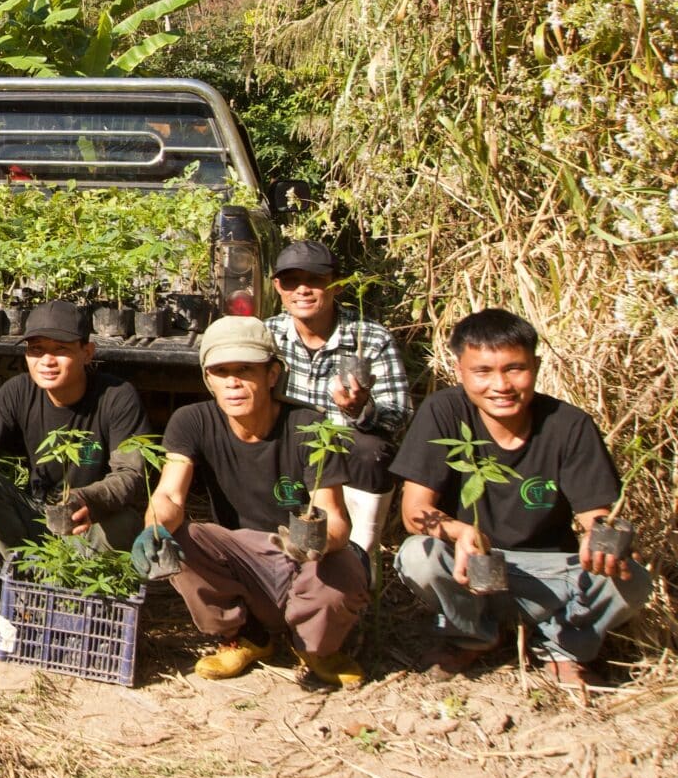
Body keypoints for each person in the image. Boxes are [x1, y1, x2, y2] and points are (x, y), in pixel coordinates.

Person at [392, 309, 646, 687]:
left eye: (515, 369)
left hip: (550, 575)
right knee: (417, 555)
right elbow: (415, 512)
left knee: (634, 579)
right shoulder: (444, 412)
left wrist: (602, 538)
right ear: (460, 370)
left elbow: (596, 514)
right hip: (471, 570)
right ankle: (472, 635)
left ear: (536, 366)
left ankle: (564, 646)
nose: (501, 385)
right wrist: (462, 533)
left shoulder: (570, 425)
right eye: (483, 372)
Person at [132, 317, 368, 687]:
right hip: (242, 560)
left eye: (245, 369)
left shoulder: (310, 426)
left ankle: (315, 648)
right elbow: (169, 494)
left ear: (272, 374)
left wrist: (313, 543)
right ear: (207, 379)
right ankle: (247, 637)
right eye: (221, 371)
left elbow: (336, 519)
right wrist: (153, 529)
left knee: (346, 571)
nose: (233, 382)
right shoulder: (191, 421)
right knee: (182, 538)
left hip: (303, 560)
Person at [0, 301, 148, 562]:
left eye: (61, 349)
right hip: (38, 514)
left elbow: (130, 474)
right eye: (37, 350)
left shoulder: (117, 397)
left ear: (87, 352)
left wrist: (85, 498)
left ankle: (83, 589)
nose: (46, 361)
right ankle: (22, 576)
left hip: (90, 521)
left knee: (123, 521)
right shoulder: (18, 390)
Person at [265, 239, 411, 551]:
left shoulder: (370, 337)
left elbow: (398, 414)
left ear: (337, 285)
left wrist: (360, 410)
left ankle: (361, 552)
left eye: (314, 280)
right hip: (285, 445)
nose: (302, 290)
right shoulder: (266, 335)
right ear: (278, 286)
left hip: (343, 447)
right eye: (291, 280)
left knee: (373, 451)